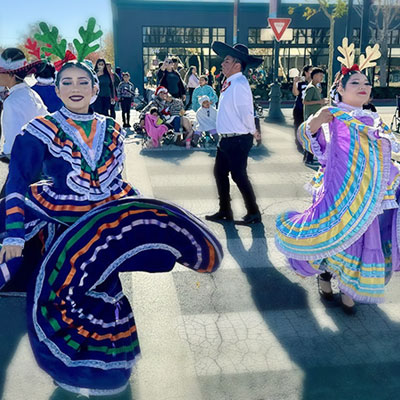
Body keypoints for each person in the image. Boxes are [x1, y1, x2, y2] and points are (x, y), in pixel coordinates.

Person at [0, 59, 222, 396]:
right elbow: (17, 179)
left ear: (94, 89)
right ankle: (72, 369)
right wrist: (13, 232)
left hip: (105, 227)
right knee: (63, 294)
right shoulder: (39, 128)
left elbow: (117, 181)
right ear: (57, 90)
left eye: (82, 82)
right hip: (64, 225)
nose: (75, 88)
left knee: (105, 291)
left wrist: (141, 218)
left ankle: (105, 368)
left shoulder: (112, 128)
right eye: (67, 82)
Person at [276, 40, 400, 314]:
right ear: (340, 89)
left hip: (368, 195)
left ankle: (347, 290)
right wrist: (318, 119)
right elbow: (308, 140)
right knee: (334, 236)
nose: (363, 86)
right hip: (337, 192)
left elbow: (384, 157)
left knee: (360, 240)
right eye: (355, 82)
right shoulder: (335, 116)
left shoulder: (373, 120)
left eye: (366, 83)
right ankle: (324, 277)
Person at [205, 42, 262, 224]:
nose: (222, 63)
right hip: (227, 139)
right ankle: (225, 210)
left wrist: (254, 131)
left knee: (238, 175)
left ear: (237, 65)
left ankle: (253, 212)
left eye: (227, 60)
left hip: (238, 138)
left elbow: (246, 111)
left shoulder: (239, 83)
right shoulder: (230, 82)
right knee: (220, 173)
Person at [302, 67, 327, 165]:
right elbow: (305, 101)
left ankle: (308, 157)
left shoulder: (315, 87)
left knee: (313, 137)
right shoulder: (311, 88)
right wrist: (319, 101)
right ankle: (309, 158)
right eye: (320, 76)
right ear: (315, 76)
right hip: (311, 116)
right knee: (312, 137)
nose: (321, 78)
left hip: (314, 115)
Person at [292, 65, 312, 152]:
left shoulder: (314, 82)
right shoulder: (300, 82)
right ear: (306, 72)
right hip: (299, 107)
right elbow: (296, 93)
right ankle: (299, 143)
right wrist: (295, 83)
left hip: (310, 108)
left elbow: (319, 91)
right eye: (311, 71)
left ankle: (308, 144)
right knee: (299, 125)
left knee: (310, 127)